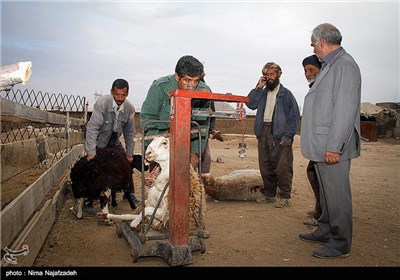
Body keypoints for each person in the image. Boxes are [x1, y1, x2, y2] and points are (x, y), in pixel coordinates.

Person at [299, 23, 361, 259]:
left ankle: (340, 242)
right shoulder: (330, 65)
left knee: (337, 195)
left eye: (314, 44)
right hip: (322, 144)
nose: (313, 48)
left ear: (322, 42)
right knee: (326, 193)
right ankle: (325, 228)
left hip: (332, 146)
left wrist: (334, 146)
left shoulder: (344, 66)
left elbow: (345, 110)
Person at [140, 55, 211, 173]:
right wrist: (156, 146)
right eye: (187, 80)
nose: (192, 86)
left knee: (187, 181)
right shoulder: (159, 87)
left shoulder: (203, 91)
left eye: (196, 81)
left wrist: (195, 152)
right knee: (159, 182)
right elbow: (148, 118)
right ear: (177, 76)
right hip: (161, 142)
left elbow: (203, 125)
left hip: (186, 142)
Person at [246, 62, 300, 208]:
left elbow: (293, 116)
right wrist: (258, 87)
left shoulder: (286, 94)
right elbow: (250, 104)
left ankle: (285, 196)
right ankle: (269, 195)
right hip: (263, 131)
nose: (269, 77)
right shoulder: (262, 93)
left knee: (283, 166)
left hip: (279, 133)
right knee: (265, 166)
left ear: (279, 74)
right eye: (267, 74)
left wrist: (288, 136)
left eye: (272, 74)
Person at [85, 78, 141, 208]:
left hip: (114, 140)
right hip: (99, 140)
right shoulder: (102, 103)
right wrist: (91, 151)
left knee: (126, 163)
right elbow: (92, 128)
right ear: (111, 92)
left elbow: (129, 132)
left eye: (123, 95)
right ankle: (89, 199)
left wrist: (129, 153)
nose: (120, 98)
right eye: (117, 94)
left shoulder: (129, 108)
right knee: (93, 165)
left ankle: (129, 193)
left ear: (127, 94)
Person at [301, 55, 322, 226]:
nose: (307, 73)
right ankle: (320, 209)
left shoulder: (324, 86)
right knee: (314, 173)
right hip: (316, 141)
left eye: (311, 69)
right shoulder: (315, 86)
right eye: (305, 70)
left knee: (321, 177)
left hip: (323, 142)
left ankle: (322, 216)